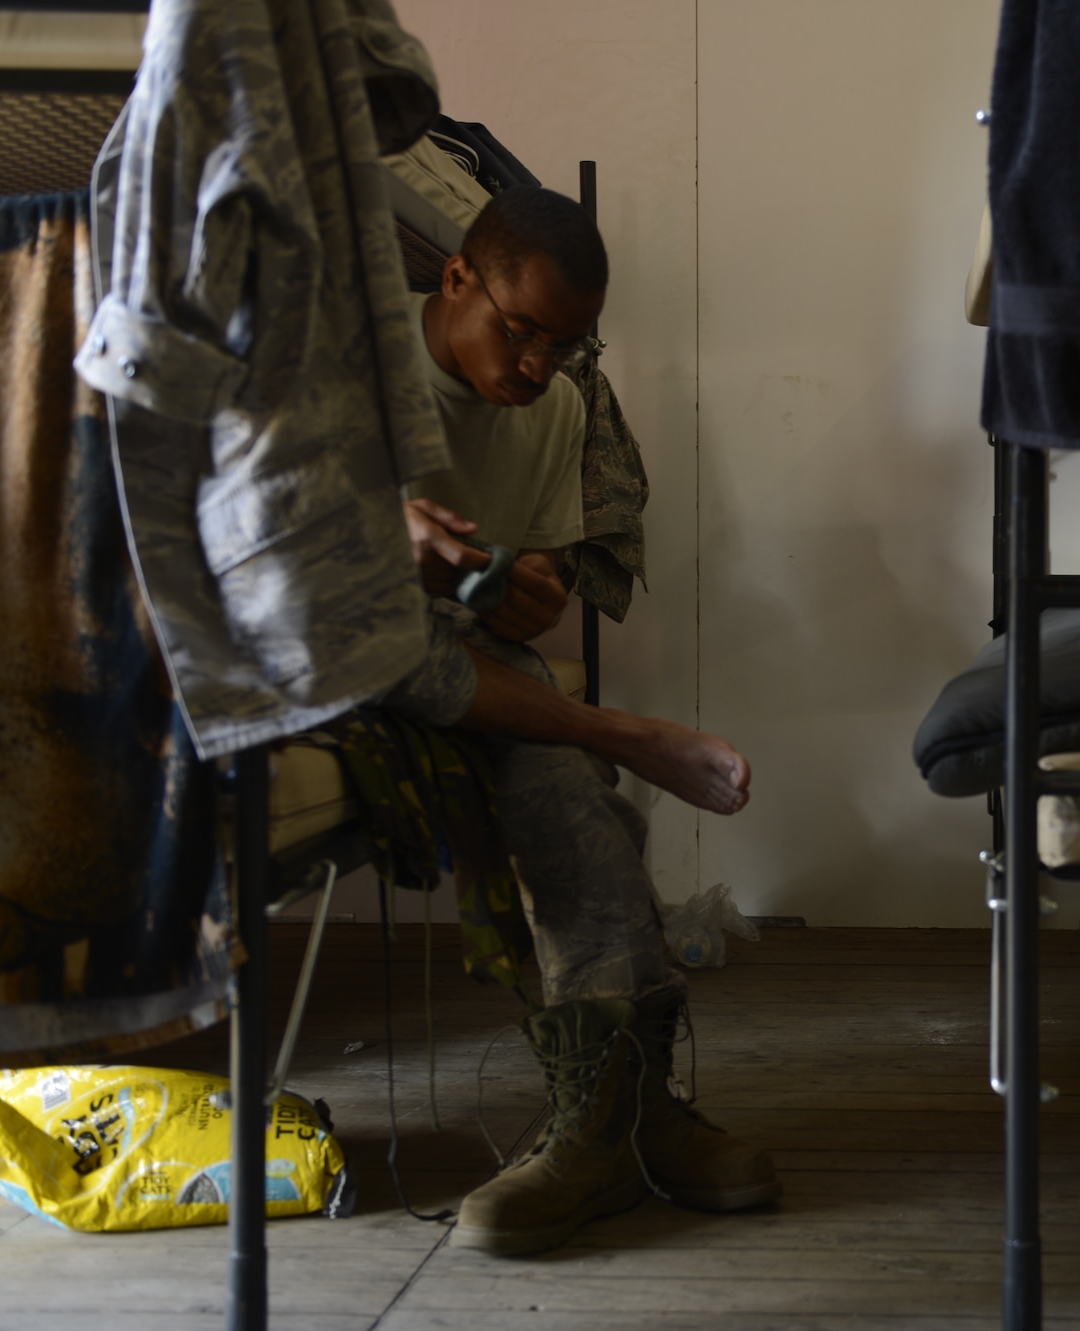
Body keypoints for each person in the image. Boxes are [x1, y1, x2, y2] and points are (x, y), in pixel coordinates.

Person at [381, 185, 775, 1255]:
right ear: (455, 276)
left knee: (559, 784)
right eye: (520, 332)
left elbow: (530, 590)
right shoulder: (357, 370)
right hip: (346, 639)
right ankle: (620, 731)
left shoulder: (553, 410)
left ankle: (617, 1113)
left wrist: (533, 590)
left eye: (563, 346)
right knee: (445, 665)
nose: (535, 367)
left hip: (468, 661)